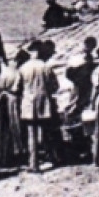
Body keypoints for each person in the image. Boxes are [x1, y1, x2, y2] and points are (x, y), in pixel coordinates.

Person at [21, 40, 61, 172]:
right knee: (47, 132)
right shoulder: (46, 67)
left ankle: (34, 163)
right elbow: (55, 86)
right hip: (44, 102)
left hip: (28, 103)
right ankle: (54, 157)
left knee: (31, 134)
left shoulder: (23, 68)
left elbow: (18, 87)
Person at [0, 49, 29, 169]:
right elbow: (17, 87)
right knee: (14, 128)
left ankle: (0, 156)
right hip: (12, 100)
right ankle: (13, 156)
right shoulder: (18, 72)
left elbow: (0, 86)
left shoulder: (5, 71)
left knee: (2, 128)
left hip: (2, 100)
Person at [65, 36, 99, 114]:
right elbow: (68, 73)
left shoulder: (91, 57)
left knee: (84, 103)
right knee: (75, 103)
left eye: (92, 47)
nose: (90, 48)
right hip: (78, 84)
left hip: (87, 84)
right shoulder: (77, 57)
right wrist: (77, 81)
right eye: (89, 46)